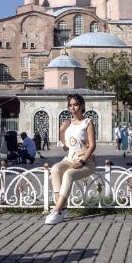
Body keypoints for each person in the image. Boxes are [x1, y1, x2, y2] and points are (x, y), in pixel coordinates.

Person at [45, 94, 96, 225]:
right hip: (70, 159)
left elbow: (92, 146)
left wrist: (82, 161)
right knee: (56, 169)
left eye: (76, 104)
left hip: (86, 161)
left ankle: (56, 211)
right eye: (70, 105)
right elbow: (66, 147)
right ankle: (63, 207)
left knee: (68, 174)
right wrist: (61, 132)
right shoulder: (68, 123)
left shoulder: (87, 123)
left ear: (82, 106)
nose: (73, 107)